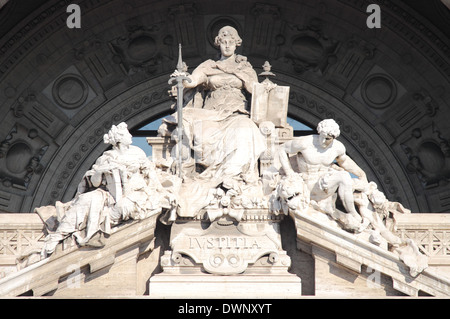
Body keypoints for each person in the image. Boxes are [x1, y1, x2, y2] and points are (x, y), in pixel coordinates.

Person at [167, 26, 266, 217]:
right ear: (218, 44)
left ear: (237, 44)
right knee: (191, 123)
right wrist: (182, 79)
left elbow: (256, 91)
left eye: (231, 42)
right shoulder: (208, 66)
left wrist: (248, 81)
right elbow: (192, 81)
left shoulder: (245, 68)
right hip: (211, 114)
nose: (227, 46)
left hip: (236, 114)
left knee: (247, 130)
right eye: (223, 42)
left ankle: (231, 177)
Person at [278, 119, 368, 231]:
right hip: (306, 186)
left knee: (344, 176)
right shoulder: (305, 142)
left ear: (334, 138)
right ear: (319, 132)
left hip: (324, 185)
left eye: (328, 139)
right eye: (323, 136)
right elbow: (281, 149)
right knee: (343, 176)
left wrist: (361, 174)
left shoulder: (337, 148)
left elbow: (344, 162)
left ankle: (352, 213)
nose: (324, 141)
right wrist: (289, 173)